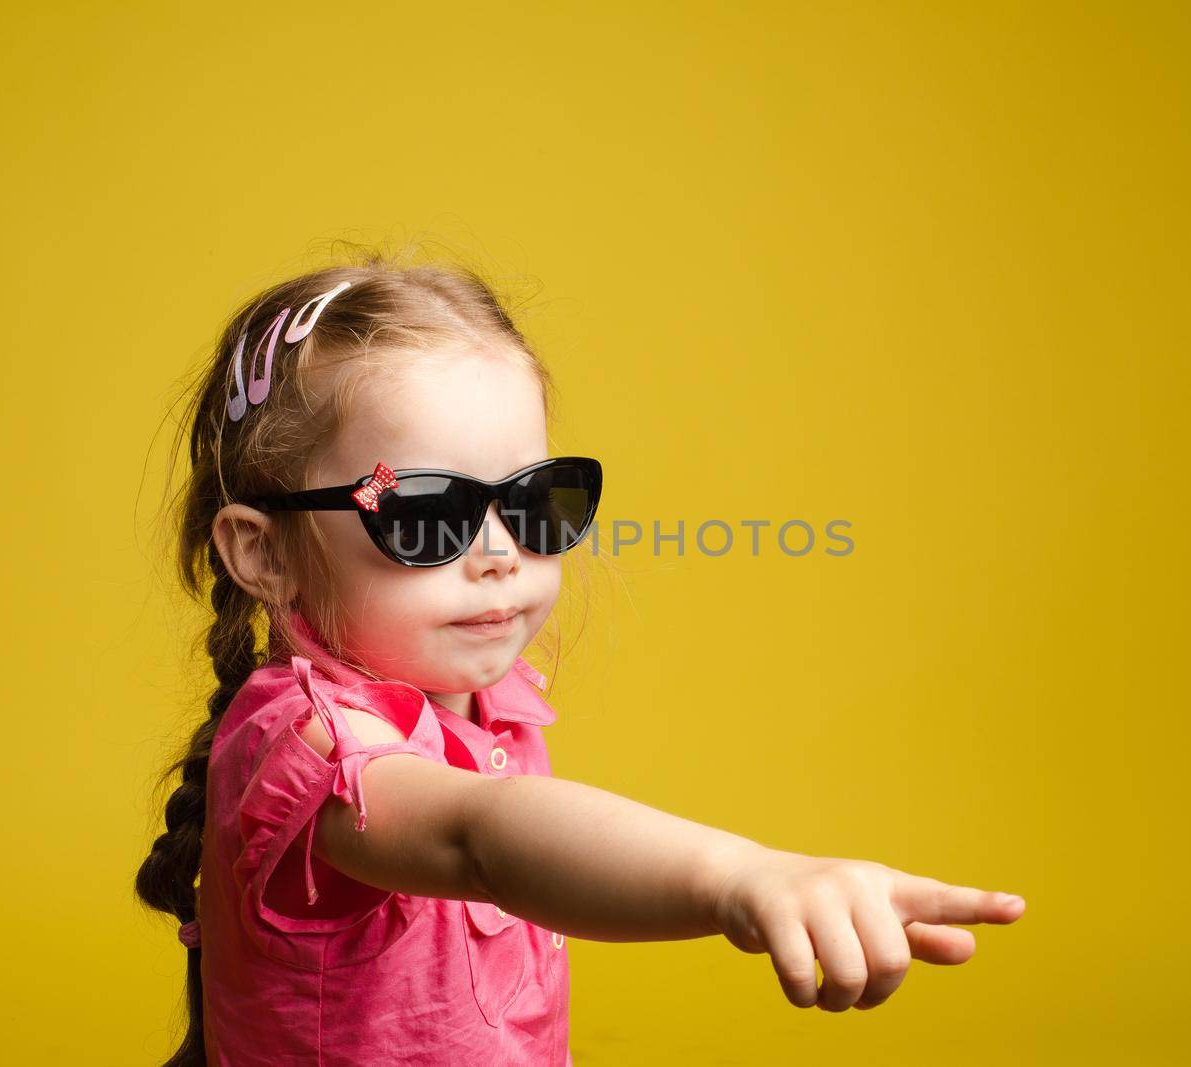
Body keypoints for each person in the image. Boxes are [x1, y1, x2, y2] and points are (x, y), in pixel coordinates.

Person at [135, 247, 1027, 1066]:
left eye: (536, 499)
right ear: (264, 552)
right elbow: (479, 835)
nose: (498, 552)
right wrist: (739, 874)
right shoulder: (304, 742)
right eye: (424, 514)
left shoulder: (487, 706)